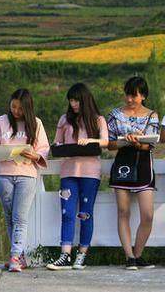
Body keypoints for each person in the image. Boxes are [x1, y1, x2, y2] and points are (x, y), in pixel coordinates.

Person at [0, 88, 49, 272]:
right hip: (3, 174)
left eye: (20, 108)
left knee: (20, 217)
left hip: (26, 174)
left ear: (27, 109)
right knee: (9, 216)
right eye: (13, 106)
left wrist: (34, 155)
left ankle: (14, 257)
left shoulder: (36, 124)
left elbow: (43, 150)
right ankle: (18, 255)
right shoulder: (0, 121)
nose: (15, 111)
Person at [46, 83, 108, 270]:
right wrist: (57, 146)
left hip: (90, 174)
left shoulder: (98, 120)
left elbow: (105, 142)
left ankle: (82, 254)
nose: (73, 104)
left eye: (77, 100)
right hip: (68, 173)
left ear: (85, 100)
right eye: (71, 100)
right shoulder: (65, 120)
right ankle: (65, 254)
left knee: (85, 214)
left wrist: (90, 140)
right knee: (67, 213)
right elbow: (57, 142)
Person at [108, 76, 159, 270]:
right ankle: (129, 257)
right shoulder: (114, 115)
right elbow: (110, 145)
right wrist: (124, 141)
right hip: (123, 164)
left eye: (134, 95)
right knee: (123, 211)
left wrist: (138, 143)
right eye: (127, 94)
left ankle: (138, 254)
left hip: (144, 165)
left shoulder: (152, 115)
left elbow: (151, 144)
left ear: (143, 95)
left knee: (147, 215)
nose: (129, 99)